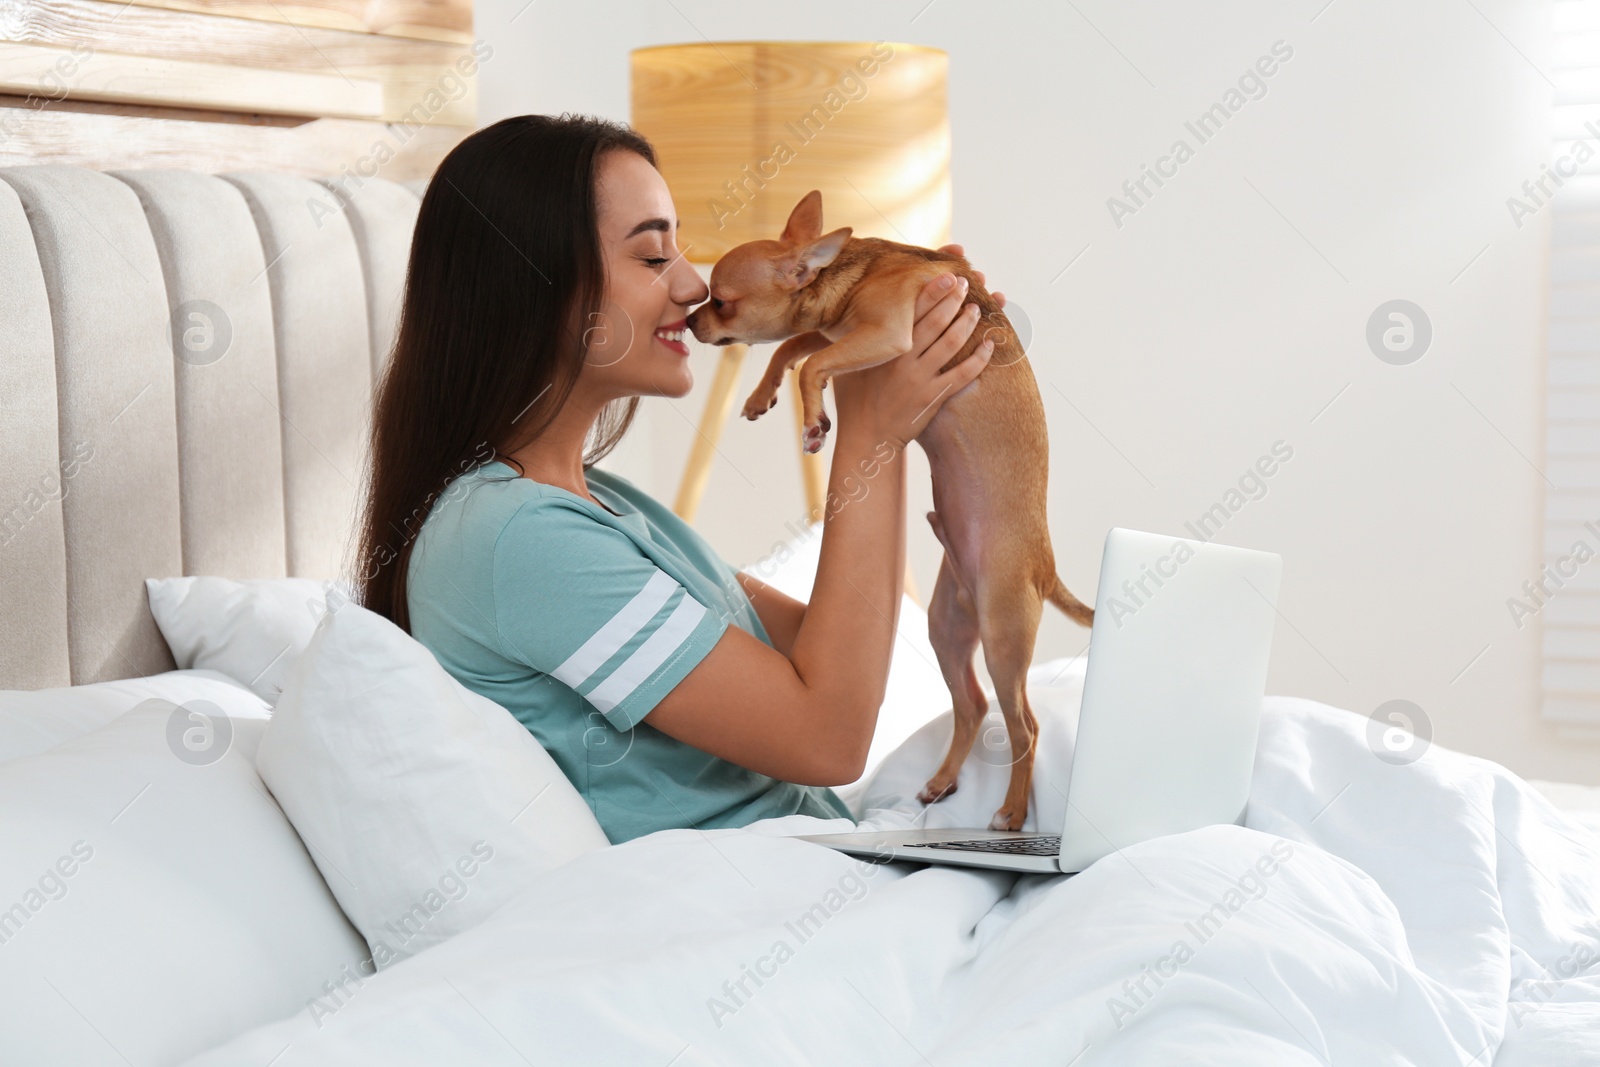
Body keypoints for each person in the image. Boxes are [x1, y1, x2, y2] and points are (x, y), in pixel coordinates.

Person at [354, 114, 997, 843]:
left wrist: (883, 368)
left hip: (817, 874)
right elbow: (829, 737)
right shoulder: (516, 541)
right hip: (741, 913)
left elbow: (823, 651)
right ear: (536, 282)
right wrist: (873, 434)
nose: (694, 285)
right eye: (655, 256)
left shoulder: (605, 507)